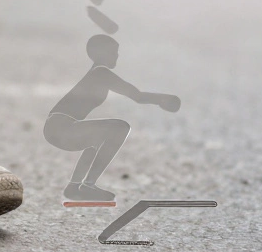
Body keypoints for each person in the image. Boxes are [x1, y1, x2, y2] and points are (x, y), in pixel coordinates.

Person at [44, 34, 180, 202]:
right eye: (113, 52)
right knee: (120, 128)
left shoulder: (95, 73)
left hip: (57, 127)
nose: (117, 56)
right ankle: (88, 185)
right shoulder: (101, 73)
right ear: (100, 53)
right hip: (61, 127)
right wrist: (163, 99)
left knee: (98, 138)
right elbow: (137, 96)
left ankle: (74, 187)